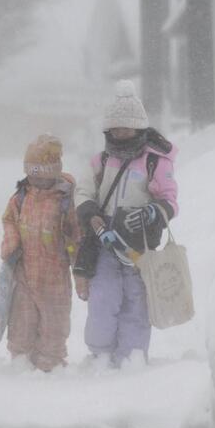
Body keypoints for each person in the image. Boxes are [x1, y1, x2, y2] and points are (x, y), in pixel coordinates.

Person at [74, 80, 178, 366]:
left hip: (140, 244)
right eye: (116, 129)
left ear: (139, 129)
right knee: (103, 298)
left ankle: (131, 356)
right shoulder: (101, 160)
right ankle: (100, 353)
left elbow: (170, 198)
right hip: (105, 238)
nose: (121, 134)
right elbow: (83, 191)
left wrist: (154, 212)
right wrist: (92, 216)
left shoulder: (155, 162)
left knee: (136, 301)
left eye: (127, 128)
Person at [0, 134, 80, 372]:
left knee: (54, 323)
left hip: (54, 276)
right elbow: (9, 220)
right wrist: (11, 243)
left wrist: (80, 263)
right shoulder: (21, 196)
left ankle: (50, 363)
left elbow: (76, 233)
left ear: (53, 171)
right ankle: (21, 360)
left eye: (41, 173)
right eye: (31, 172)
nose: (35, 178)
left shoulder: (65, 199)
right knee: (21, 321)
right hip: (25, 272)